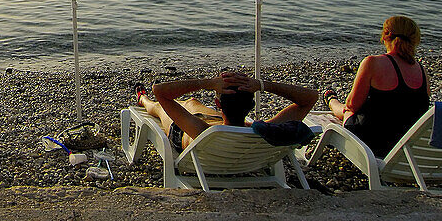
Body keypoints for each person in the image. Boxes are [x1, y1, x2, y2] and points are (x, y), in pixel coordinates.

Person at [322, 15, 429, 158]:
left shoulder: (373, 63)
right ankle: (332, 101)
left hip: (372, 143)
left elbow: (352, 105)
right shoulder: (421, 70)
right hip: (405, 146)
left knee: (348, 110)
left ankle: (331, 101)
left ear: (385, 35)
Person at [136, 71, 317, 153]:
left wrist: (207, 83)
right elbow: (310, 99)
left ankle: (142, 99)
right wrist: (263, 85)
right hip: (222, 125)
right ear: (251, 106)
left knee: (159, 108)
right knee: (193, 103)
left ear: (218, 103)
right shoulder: (264, 131)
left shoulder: (202, 131)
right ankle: (145, 100)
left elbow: (160, 91)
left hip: (185, 133)